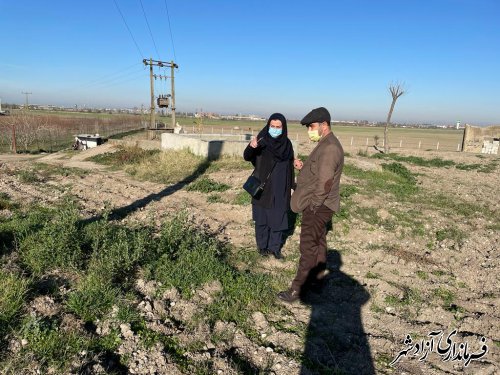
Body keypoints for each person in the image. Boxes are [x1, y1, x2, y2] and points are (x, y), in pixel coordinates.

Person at [278, 107, 344, 302]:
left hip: (319, 206)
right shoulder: (326, 143)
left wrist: (314, 205)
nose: (310, 130)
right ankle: (317, 282)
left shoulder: (330, 147)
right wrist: (304, 167)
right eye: (308, 127)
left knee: (307, 247)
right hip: (322, 205)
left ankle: (297, 289)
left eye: (312, 126)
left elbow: (325, 182)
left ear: (324, 125)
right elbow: (319, 172)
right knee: (319, 243)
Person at [243, 113, 295, 259]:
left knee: (278, 219)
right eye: (272, 126)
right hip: (262, 187)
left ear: (284, 128)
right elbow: (247, 156)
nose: (275, 129)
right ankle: (262, 247)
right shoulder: (262, 140)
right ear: (268, 126)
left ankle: (275, 248)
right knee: (262, 220)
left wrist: (291, 186)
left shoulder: (287, 144)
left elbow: (290, 167)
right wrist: (251, 147)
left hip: (280, 187)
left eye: (278, 127)